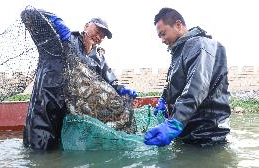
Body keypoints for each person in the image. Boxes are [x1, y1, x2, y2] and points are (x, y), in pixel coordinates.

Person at [23, 9, 137, 150]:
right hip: (46, 102)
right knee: (38, 149)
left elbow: (111, 82)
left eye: (103, 35)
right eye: (98, 30)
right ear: (86, 25)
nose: (99, 36)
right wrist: (56, 21)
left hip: (70, 113)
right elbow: (28, 13)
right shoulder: (63, 38)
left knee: (60, 152)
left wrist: (122, 89)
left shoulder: (99, 58)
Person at [144, 7, 231, 146]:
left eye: (163, 33)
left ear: (178, 25)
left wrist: (175, 122)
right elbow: (172, 83)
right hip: (188, 132)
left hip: (207, 136)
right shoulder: (178, 52)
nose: (162, 40)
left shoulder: (199, 44)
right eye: (159, 36)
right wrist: (163, 99)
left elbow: (197, 86)